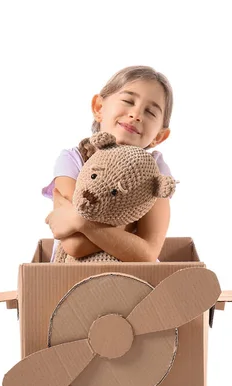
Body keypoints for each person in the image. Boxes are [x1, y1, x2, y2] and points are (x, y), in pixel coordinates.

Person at [42, 66, 174, 262]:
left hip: (132, 281)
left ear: (159, 136)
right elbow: (74, 245)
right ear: (99, 108)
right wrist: (129, 226)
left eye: (150, 112)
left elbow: (147, 253)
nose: (136, 114)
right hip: (69, 277)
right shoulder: (73, 159)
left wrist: (80, 221)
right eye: (128, 101)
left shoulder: (157, 172)